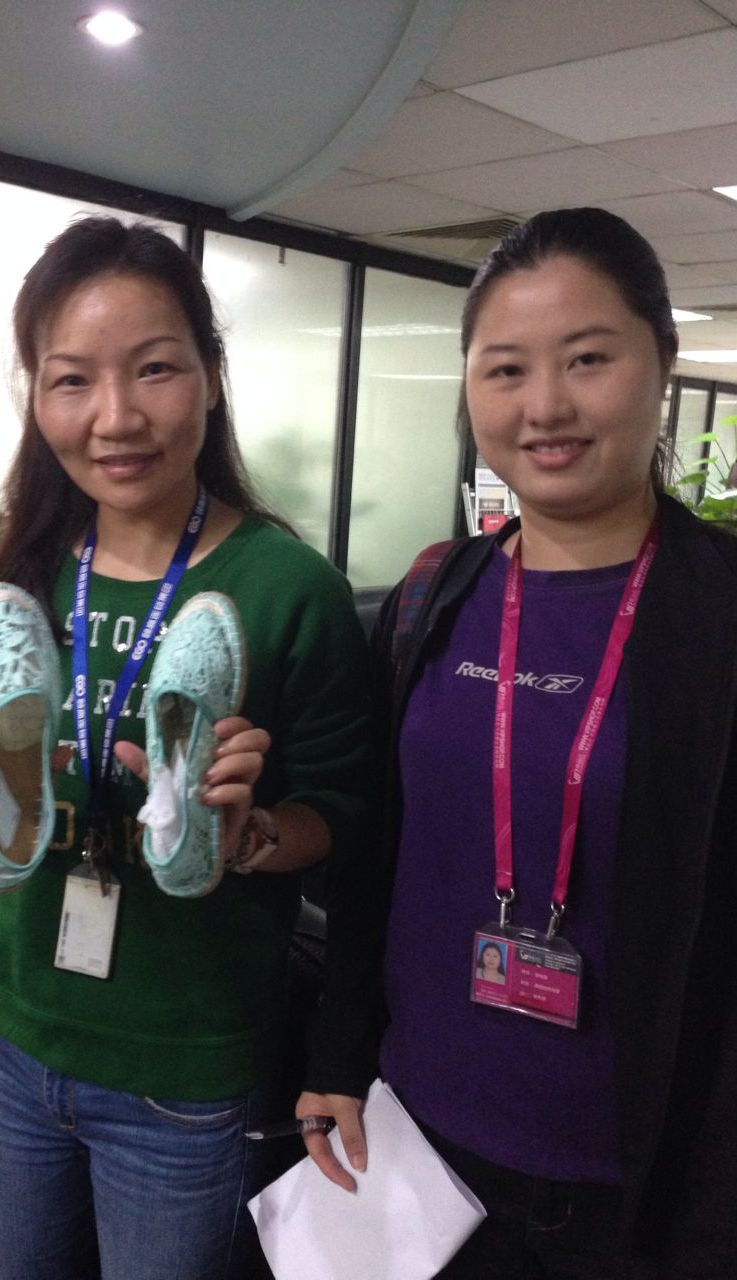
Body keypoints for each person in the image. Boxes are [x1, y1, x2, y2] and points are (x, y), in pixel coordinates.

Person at [298, 208, 737, 1279]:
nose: (544, 406)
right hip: (415, 1140)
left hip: (640, 1187)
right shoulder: (431, 596)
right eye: (505, 369)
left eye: (587, 358)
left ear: (661, 360)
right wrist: (338, 1055)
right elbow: (379, 858)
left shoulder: (721, 610)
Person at [0, 215, 371, 1280]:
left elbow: (345, 815)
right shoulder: (23, 566)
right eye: (71, 379)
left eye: (155, 369)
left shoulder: (289, 587)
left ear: (211, 377)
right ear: (36, 397)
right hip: (12, 1026)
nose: (116, 417)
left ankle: (187, 837)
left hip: (182, 1064)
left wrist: (252, 831)